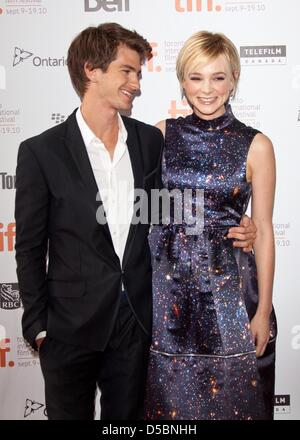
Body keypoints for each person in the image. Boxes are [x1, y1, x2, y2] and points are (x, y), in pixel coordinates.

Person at [15, 23, 256, 420]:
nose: (137, 84)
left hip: (137, 326)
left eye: (140, 73)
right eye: (127, 71)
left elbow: (171, 210)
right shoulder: (41, 152)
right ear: (92, 70)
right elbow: (28, 247)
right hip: (68, 331)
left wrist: (238, 221)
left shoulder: (150, 141)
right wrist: (39, 328)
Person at [144, 31, 277, 420]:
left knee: (236, 403)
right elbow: (141, 210)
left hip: (231, 296)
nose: (207, 89)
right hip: (167, 298)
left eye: (218, 77)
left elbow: (265, 230)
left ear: (233, 78)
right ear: (183, 82)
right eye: (196, 77)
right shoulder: (161, 134)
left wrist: (263, 311)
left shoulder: (257, 145)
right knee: (167, 408)